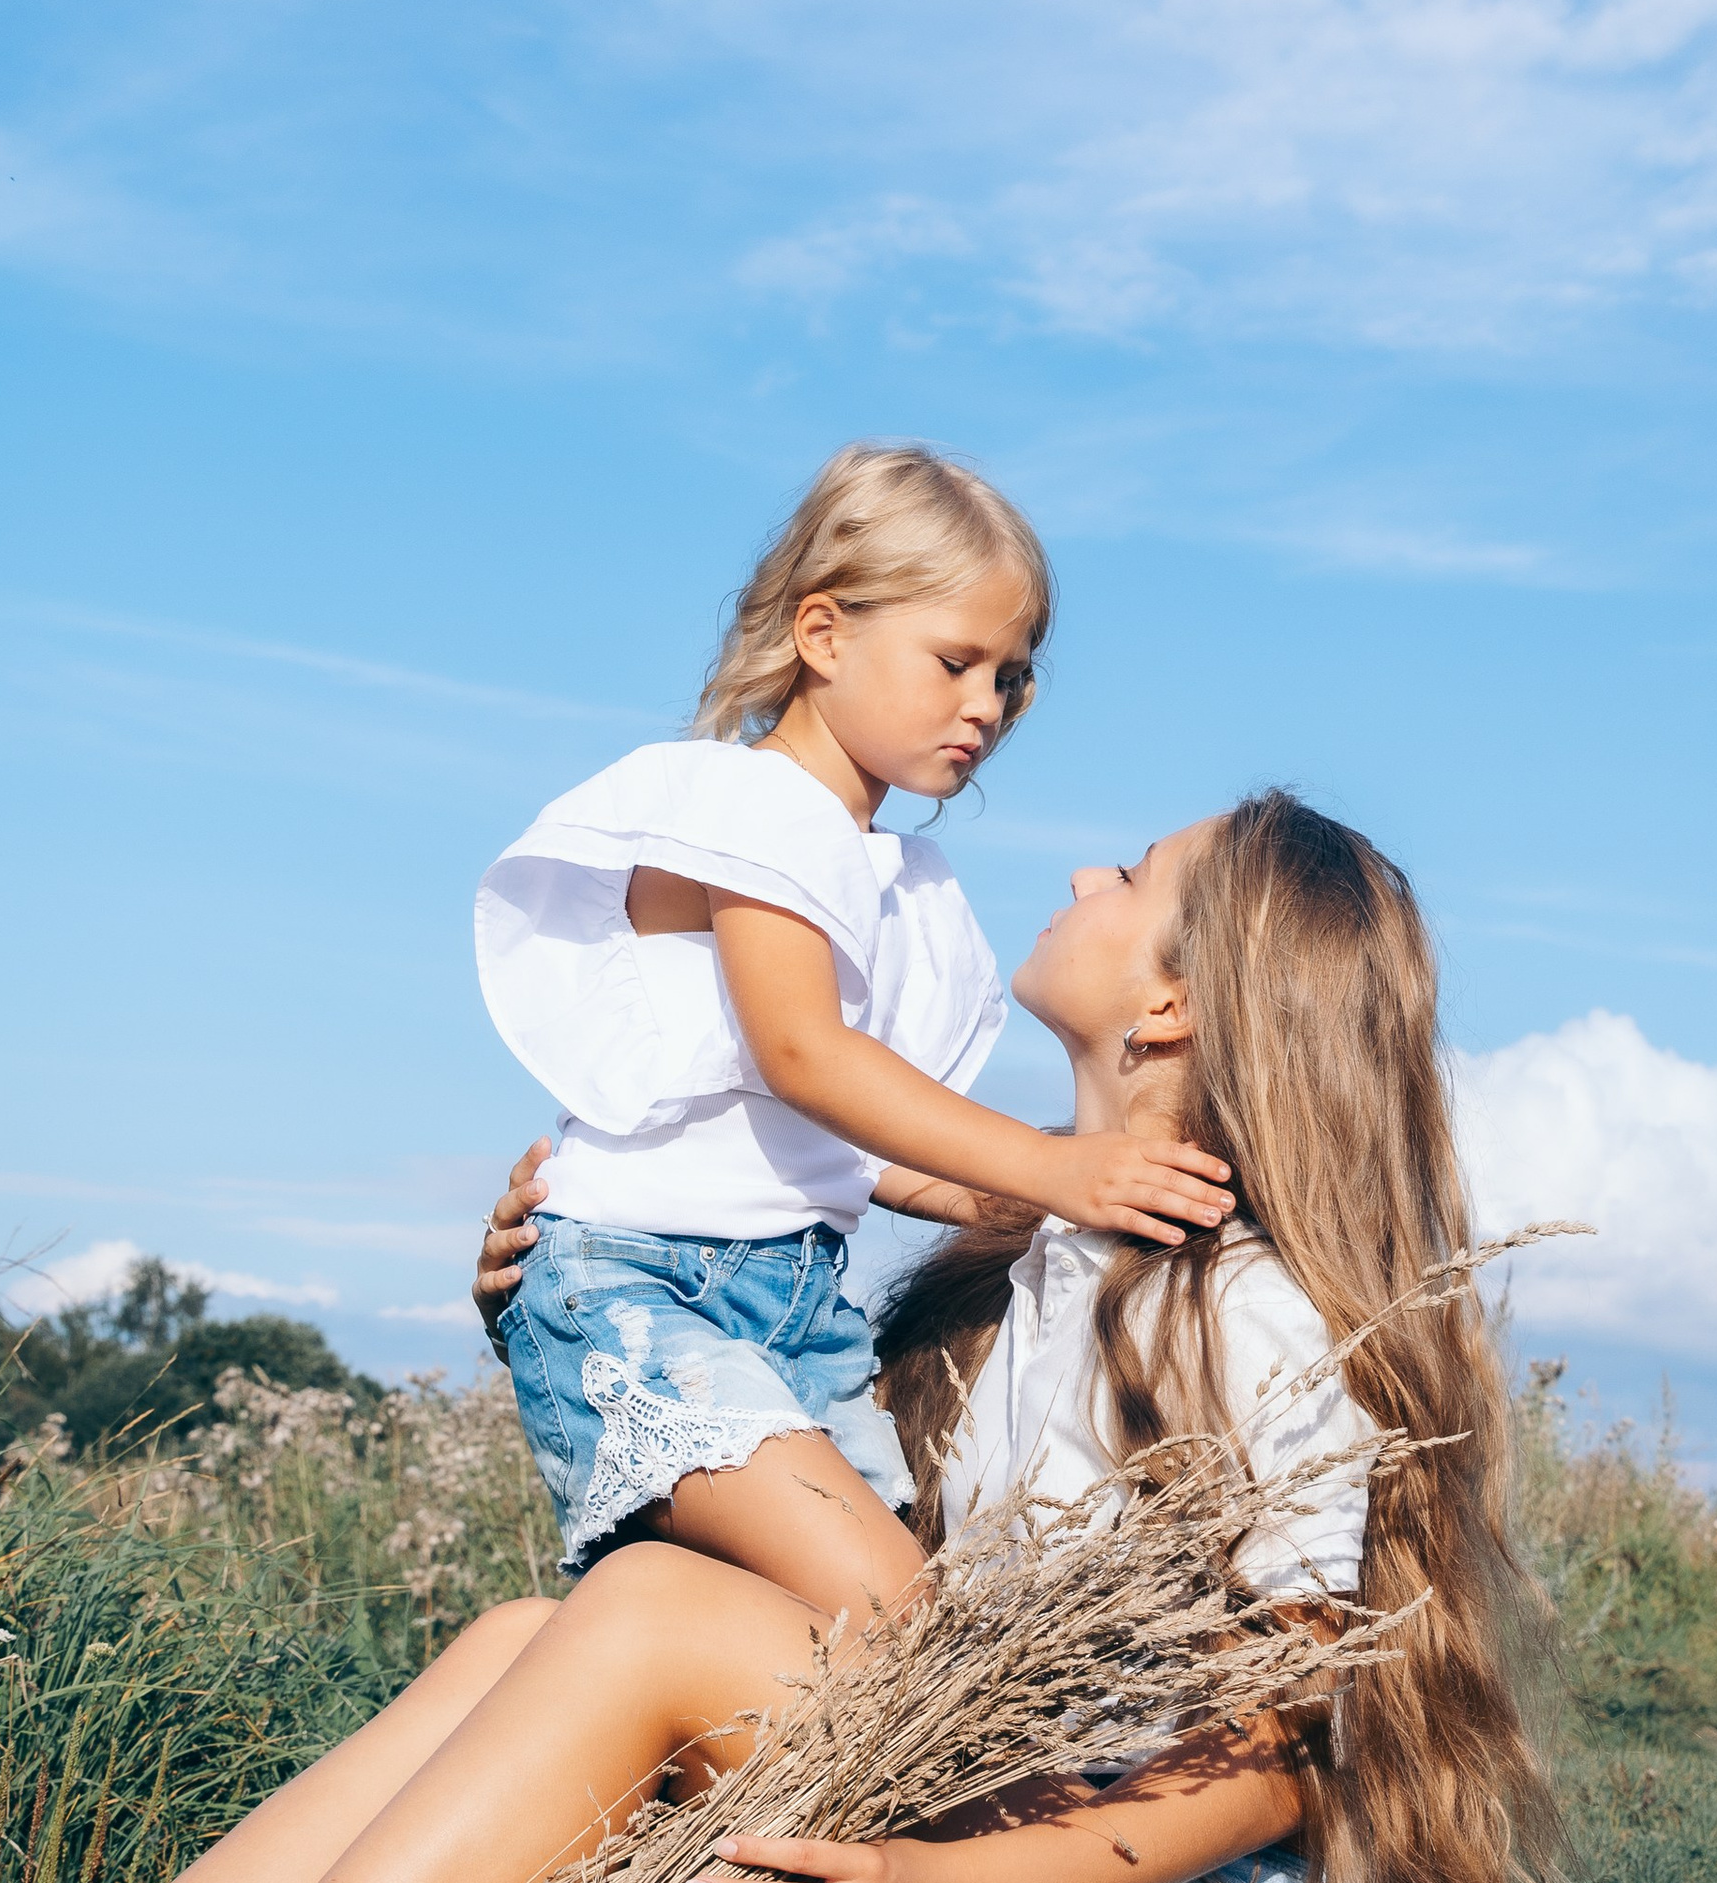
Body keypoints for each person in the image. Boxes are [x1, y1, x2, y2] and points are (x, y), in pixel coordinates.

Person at [0, 790, 1602, 1883]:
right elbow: (785, 1528)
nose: (1078, 864)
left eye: (1132, 870)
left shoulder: (1257, 1308)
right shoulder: (1035, 1265)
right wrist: (555, 1316)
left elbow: (1283, 1749)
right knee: (527, 1642)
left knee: (641, 1621)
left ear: (1174, 1003)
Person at [474, 442, 1233, 1623]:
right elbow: (804, 1057)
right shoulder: (757, 810)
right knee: (890, 1614)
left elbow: (865, 1156)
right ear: (824, 637)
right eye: (955, 661)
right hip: (641, 1285)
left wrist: (1072, 1200)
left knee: (827, 1635)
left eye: (1013, 678)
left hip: (790, 1303)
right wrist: (1052, 1166)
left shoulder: (884, 873)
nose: (986, 705)